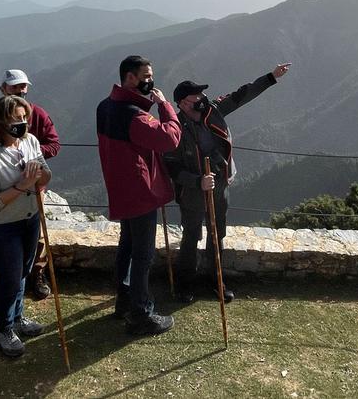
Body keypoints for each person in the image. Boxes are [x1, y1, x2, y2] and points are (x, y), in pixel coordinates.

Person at [166, 63, 291, 304]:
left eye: (203, 94)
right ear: (183, 103)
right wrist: (196, 181)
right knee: (191, 236)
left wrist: (271, 77)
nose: (203, 98)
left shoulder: (214, 110)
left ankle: (216, 280)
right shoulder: (176, 128)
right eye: (197, 96)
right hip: (192, 191)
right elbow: (171, 167)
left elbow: (242, 95)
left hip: (220, 184)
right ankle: (185, 284)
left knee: (217, 234)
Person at [97, 55, 181, 335]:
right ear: (130, 78)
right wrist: (165, 106)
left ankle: (124, 301)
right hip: (140, 192)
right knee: (142, 254)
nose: (150, 81)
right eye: (145, 76)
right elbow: (170, 139)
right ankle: (141, 314)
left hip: (119, 189)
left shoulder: (104, 107)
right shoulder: (134, 115)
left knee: (127, 248)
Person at [0, 69, 60, 301]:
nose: (20, 90)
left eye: (23, 86)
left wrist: (33, 161)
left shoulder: (37, 114)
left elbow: (54, 144)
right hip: (0, 186)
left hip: (34, 187)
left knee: (34, 237)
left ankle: (35, 276)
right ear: (3, 89)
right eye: (15, 86)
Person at [0, 94, 52, 357]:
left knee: (22, 272)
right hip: (2, 226)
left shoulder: (30, 141)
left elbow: (46, 176)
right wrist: (22, 185)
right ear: (0, 122)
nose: (21, 123)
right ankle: (4, 328)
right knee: (9, 276)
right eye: (15, 119)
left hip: (29, 220)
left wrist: (40, 174)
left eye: (24, 118)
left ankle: (17, 317)